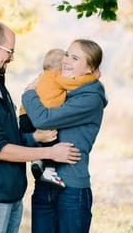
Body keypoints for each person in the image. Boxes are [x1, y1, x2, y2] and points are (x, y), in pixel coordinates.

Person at [0, 21, 82, 233]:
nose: (12, 57)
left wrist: (35, 137)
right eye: (9, 51)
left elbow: (10, 138)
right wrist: (50, 152)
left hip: (12, 197)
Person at [21, 39, 108, 233]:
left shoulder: (90, 99)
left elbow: (42, 119)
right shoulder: (63, 92)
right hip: (44, 184)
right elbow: (35, 129)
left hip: (71, 189)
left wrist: (28, 93)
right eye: (67, 54)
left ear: (89, 69)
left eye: (75, 58)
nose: (66, 61)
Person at [18, 48, 97, 188]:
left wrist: (27, 94)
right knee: (51, 136)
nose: (67, 62)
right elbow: (75, 83)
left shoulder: (41, 77)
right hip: (37, 115)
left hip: (24, 115)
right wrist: (93, 77)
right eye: (65, 58)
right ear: (60, 66)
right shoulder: (56, 77)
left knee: (40, 138)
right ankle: (49, 169)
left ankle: (36, 161)